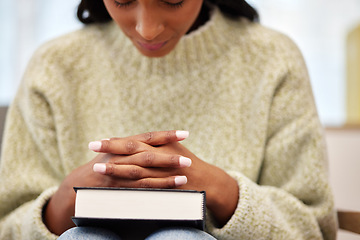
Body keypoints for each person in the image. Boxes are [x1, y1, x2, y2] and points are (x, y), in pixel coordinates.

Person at [0, 0, 337, 239]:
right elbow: (7, 226)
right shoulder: (54, 65)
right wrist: (66, 199)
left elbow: (314, 230)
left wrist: (218, 188)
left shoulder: (273, 59)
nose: (147, 29)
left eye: (173, 0)